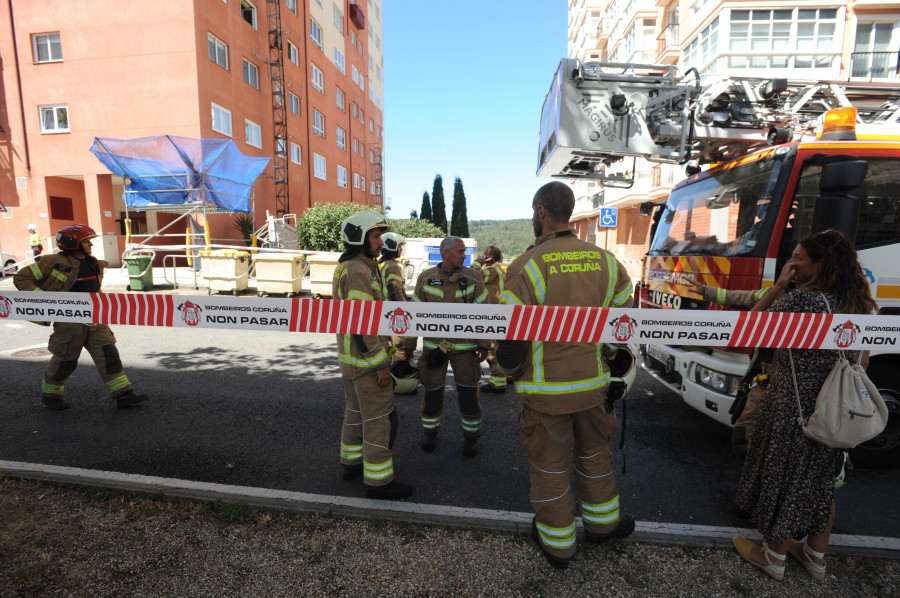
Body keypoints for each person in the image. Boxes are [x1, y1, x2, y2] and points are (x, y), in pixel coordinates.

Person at [496, 182, 636, 569]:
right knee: (594, 457)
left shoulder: (525, 267)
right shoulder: (607, 263)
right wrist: (606, 359)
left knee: (550, 468)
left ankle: (560, 547)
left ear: (541, 211)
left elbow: (511, 343)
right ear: (570, 211)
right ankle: (603, 527)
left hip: (546, 394)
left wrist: (509, 374)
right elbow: (621, 330)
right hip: (593, 389)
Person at [732, 229, 878, 581]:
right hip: (835, 408)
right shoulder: (857, 301)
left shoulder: (804, 301)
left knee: (784, 478)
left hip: (792, 404)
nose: (792, 263)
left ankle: (774, 557)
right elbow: (865, 362)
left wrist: (780, 286)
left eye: (798, 258)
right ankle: (815, 557)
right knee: (819, 482)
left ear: (821, 264)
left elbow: (747, 332)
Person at [13, 224, 147, 410]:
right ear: (72, 243)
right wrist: (43, 301)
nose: (90, 245)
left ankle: (123, 394)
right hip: (69, 322)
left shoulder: (92, 262)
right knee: (65, 359)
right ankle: (51, 396)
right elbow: (21, 278)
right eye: (86, 241)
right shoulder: (52, 262)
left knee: (108, 353)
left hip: (95, 318)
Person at [332, 212, 412, 500]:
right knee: (379, 420)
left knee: (354, 415)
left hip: (352, 363)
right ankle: (379, 483)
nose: (382, 242)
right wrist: (380, 364)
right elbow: (361, 325)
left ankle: (351, 464)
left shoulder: (357, 266)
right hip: (366, 365)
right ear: (360, 238)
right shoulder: (359, 271)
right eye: (376, 236)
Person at [410, 236, 489, 457]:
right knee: (432, 394)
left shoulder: (474, 277)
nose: (465, 255)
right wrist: (405, 348)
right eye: (460, 252)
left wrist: (484, 344)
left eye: (464, 251)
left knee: (468, 396)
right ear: (445, 254)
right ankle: (429, 435)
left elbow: (485, 312)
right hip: (435, 350)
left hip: (466, 350)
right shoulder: (426, 278)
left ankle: (471, 439)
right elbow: (413, 316)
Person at [379, 232, 419, 394]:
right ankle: (401, 383)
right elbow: (394, 289)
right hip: (395, 314)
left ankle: (388, 380)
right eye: (399, 247)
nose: (401, 250)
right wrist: (403, 313)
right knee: (401, 347)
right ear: (392, 247)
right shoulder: (392, 266)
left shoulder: (380, 264)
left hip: (383, 313)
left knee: (388, 349)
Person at [477, 245, 509, 394]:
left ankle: (497, 383)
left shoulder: (491, 271)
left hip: (496, 313)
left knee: (496, 349)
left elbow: (473, 275)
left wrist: (478, 262)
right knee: (506, 345)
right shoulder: (507, 268)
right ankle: (508, 375)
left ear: (488, 258)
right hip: (510, 311)